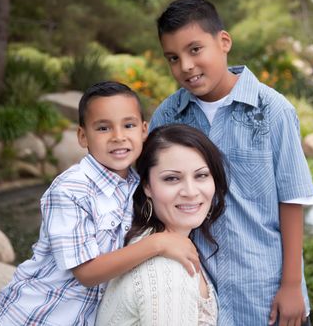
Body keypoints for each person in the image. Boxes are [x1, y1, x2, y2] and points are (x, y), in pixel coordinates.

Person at [150, 0, 313, 325]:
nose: (185, 66)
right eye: (173, 57)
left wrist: (291, 285)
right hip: (198, 299)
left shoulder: (272, 111)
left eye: (195, 49)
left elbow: (292, 199)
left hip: (265, 294)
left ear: (224, 42)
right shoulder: (168, 116)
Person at [0, 82, 200, 325]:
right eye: (103, 128)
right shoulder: (71, 190)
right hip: (38, 316)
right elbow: (87, 273)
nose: (118, 137)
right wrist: (158, 243)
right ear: (82, 136)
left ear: (144, 130)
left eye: (129, 125)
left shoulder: (137, 184)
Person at [95, 123, 227, 325]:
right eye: (172, 178)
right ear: (147, 186)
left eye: (201, 175)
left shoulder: (157, 241)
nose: (190, 192)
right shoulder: (167, 272)